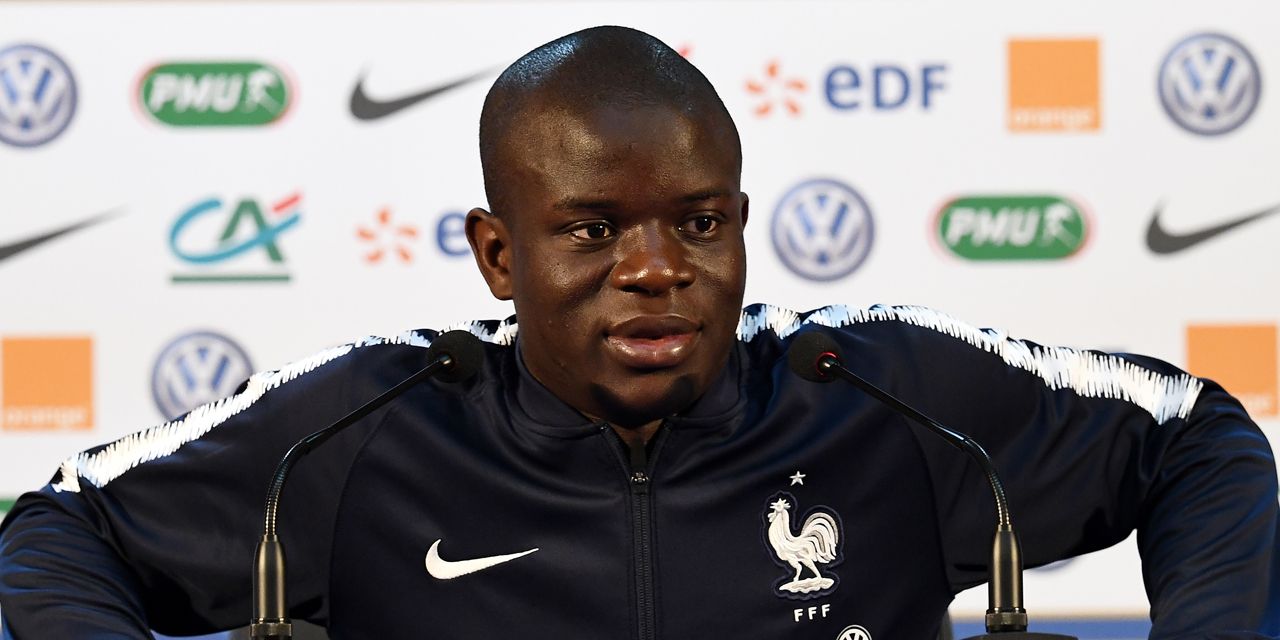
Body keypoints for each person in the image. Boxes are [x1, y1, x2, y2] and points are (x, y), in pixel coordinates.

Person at [1, 25, 1277, 640]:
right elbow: (59, 525)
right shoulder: (367, 430)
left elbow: (1192, 435)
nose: (658, 271)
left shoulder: (876, 392)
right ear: (499, 254)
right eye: (594, 230)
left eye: (698, 222)